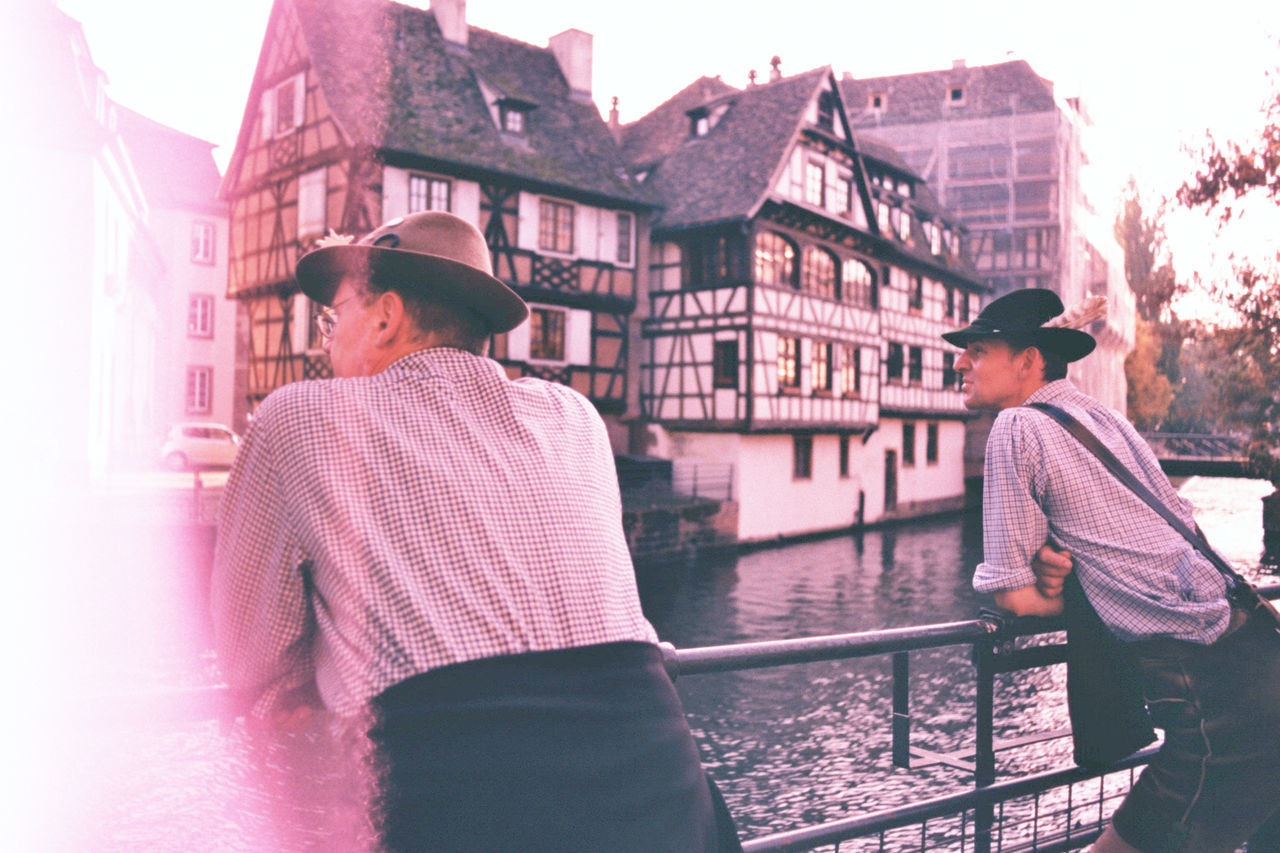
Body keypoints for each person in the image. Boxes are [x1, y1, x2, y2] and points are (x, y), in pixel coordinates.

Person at [212, 211, 737, 852]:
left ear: (385, 317)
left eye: (334, 317)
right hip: (664, 796)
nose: (326, 340)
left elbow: (251, 659)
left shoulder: (299, 419)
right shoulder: (574, 416)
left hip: (465, 801)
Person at [945, 288, 1280, 853]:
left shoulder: (1015, 429)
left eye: (977, 349)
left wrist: (1073, 592)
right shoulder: (1104, 418)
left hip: (1206, 695)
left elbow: (1010, 594)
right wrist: (1074, 572)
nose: (959, 362)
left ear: (1028, 360)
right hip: (1256, 654)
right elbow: (1169, 525)